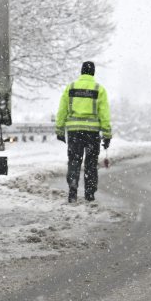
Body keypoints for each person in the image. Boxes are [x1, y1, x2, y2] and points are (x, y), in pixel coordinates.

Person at [55, 61, 112, 203]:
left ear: (81, 71)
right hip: (92, 134)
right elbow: (104, 114)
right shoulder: (99, 89)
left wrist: (60, 129)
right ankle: (89, 193)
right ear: (93, 72)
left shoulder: (71, 87)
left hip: (74, 132)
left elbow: (62, 109)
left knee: (74, 161)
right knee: (91, 163)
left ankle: (73, 190)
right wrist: (106, 134)